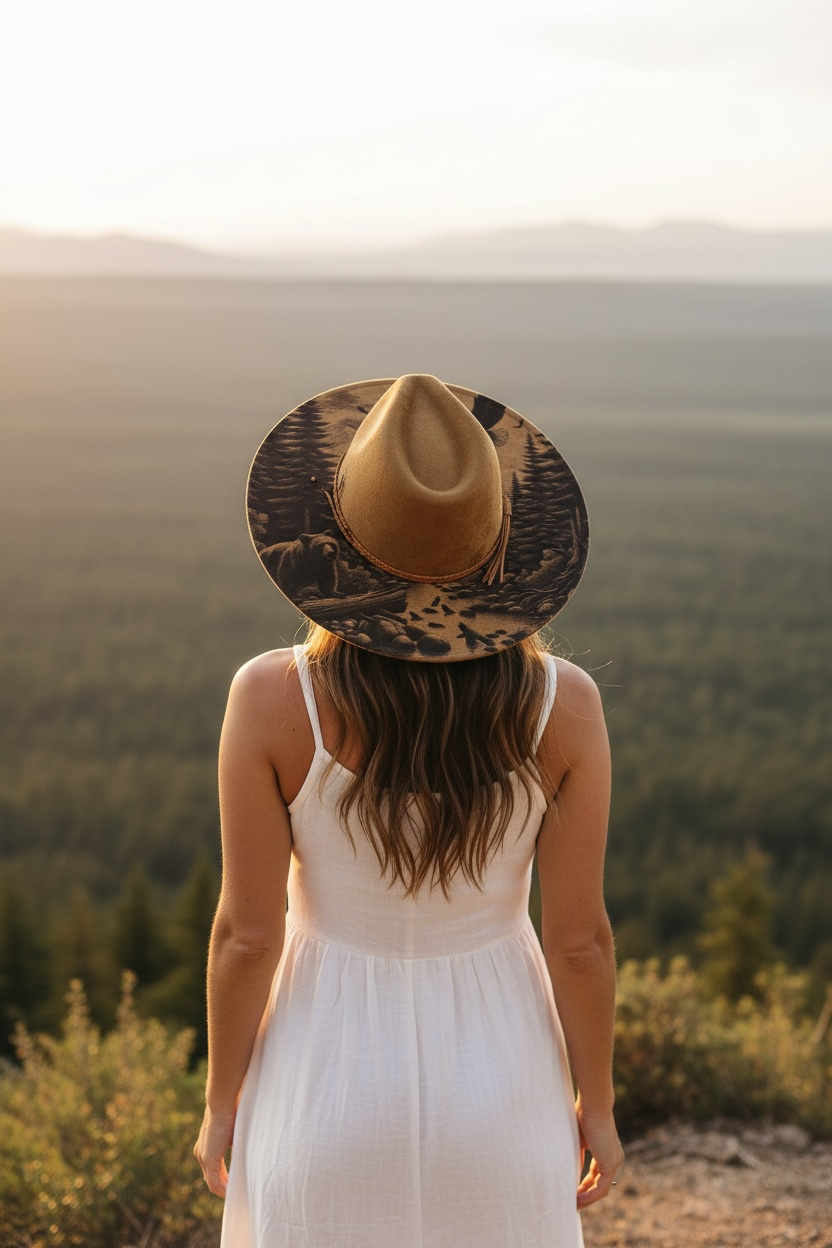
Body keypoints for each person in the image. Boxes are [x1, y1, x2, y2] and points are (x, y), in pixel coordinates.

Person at [195, 374, 624, 1247]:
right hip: (503, 1085)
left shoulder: (274, 698)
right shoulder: (564, 706)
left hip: (322, 1079)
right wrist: (600, 1108)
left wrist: (221, 1104)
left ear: (331, 543)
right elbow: (581, 942)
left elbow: (248, 934)